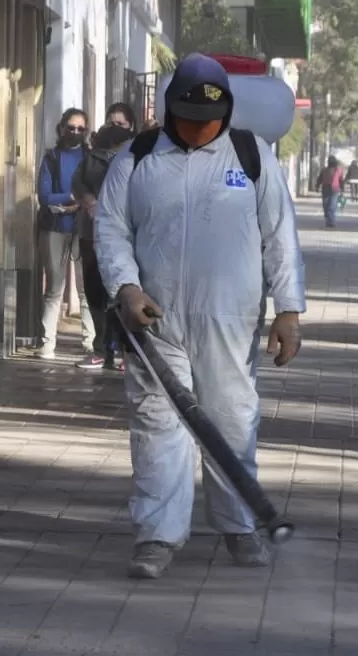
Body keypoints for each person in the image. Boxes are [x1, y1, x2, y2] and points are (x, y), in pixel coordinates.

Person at [95, 53, 306, 579]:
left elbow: (281, 237)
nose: (197, 131)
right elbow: (111, 228)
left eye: (208, 121)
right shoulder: (137, 158)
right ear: (169, 111)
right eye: (187, 120)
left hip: (229, 322)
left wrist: (289, 311)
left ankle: (238, 527)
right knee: (157, 426)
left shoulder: (251, 157)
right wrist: (126, 286)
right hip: (155, 322)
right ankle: (157, 537)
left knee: (231, 421)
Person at [72, 122, 132, 371]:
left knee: (120, 292)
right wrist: (90, 202)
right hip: (92, 233)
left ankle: (124, 351)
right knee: (96, 291)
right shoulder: (90, 160)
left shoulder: (133, 159)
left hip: (122, 234)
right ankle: (101, 349)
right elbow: (77, 185)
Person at [37, 109, 96, 360]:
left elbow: (96, 193)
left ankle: (91, 344)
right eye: (71, 127)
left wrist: (80, 202)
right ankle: (47, 343)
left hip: (83, 228)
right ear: (62, 128)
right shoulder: (51, 157)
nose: (75, 132)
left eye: (80, 128)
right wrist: (74, 197)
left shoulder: (91, 158)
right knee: (54, 288)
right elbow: (45, 196)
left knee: (86, 289)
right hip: (53, 227)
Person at [317, 156, 344, 228]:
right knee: (326, 206)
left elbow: (341, 180)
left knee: (331, 206)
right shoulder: (324, 170)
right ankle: (328, 221)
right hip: (327, 189)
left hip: (333, 190)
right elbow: (319, 179)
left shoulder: (338, 170)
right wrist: (317, 186)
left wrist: (342, 189)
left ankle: (331, 222)